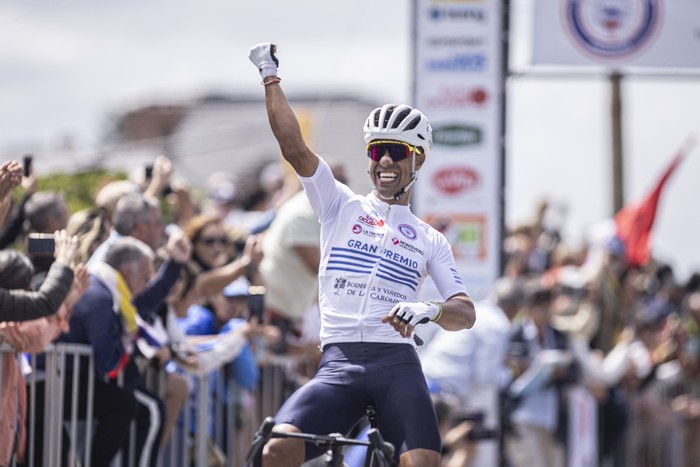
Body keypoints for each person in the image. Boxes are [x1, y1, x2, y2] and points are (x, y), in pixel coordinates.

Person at [248, 42, 476, 467]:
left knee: (423, 463)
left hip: (397, 365)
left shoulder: (430, 239)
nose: (386, 160)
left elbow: (465, 311)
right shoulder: (339, 205)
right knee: (276, 448)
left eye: (398, 151)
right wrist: (269, 75)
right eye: (377, 150)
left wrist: (429, 309)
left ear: (418, 160)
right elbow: (294, 147)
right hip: (339, 363)